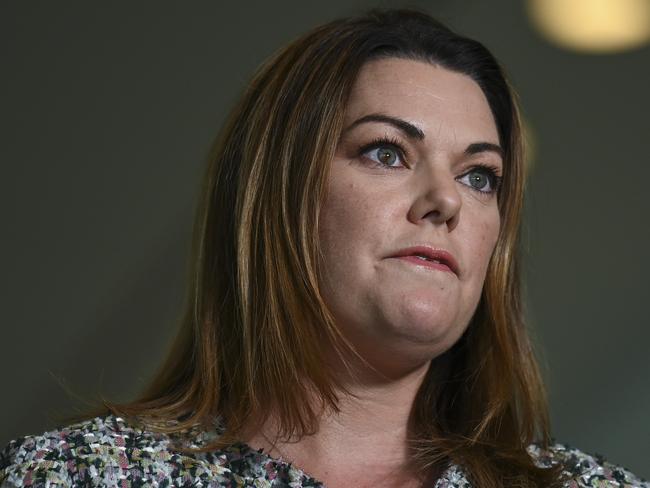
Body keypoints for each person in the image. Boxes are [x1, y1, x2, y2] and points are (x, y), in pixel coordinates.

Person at [1, 8, 647, 488]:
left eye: (480, 177)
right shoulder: (68, 476)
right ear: (279, 192)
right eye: (387, 153)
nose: (445, 200)